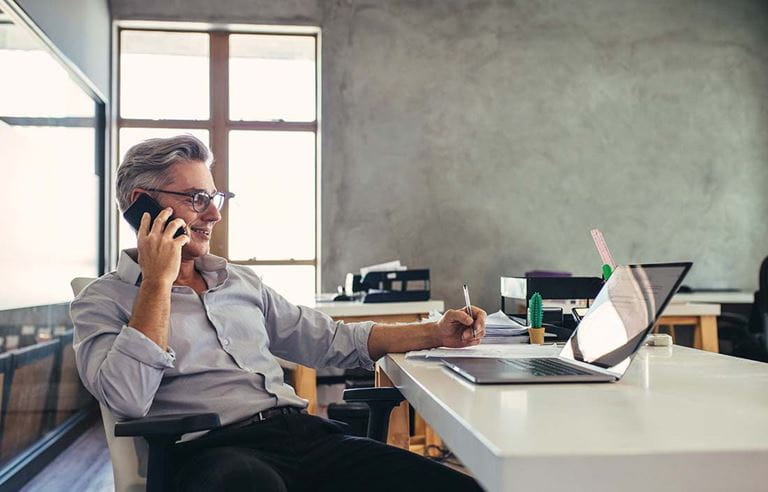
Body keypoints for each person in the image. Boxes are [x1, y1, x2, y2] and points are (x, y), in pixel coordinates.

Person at [71, 135, 487, 492]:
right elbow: (127, 397)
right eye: (197, 199)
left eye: (214, 199)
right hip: (214, 453)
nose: (214, 214)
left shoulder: (240, 283)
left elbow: (333, 341)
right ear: (141, 206)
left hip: (304, 436)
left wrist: (437, 332)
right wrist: (158, 283)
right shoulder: (102, 300)